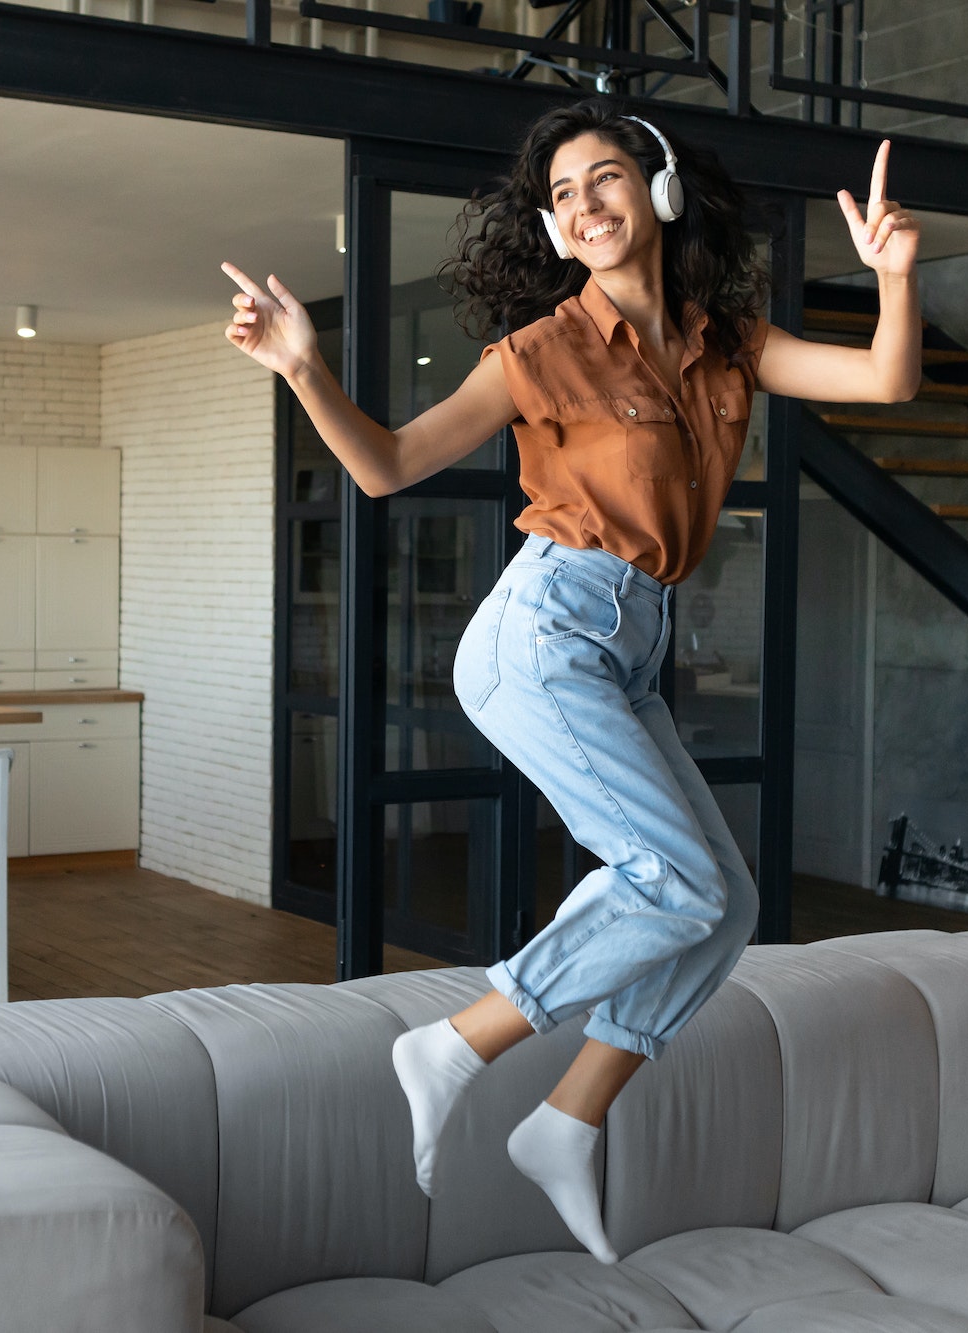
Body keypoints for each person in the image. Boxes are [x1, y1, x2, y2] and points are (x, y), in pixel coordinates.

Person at [222, 97, 921, 1263]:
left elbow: (887, 383)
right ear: (551, 231)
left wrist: (895, 274)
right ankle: (452, 1043)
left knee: (725, 903)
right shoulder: (538, 353)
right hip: (543, 626)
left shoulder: (726, 340)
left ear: (656, 191)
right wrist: (303, 368)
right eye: (560, 196)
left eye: (600, 179)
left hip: (631, 636)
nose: (582, 205)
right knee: (669, 877)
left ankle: (566, 1118)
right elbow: (389, 464)